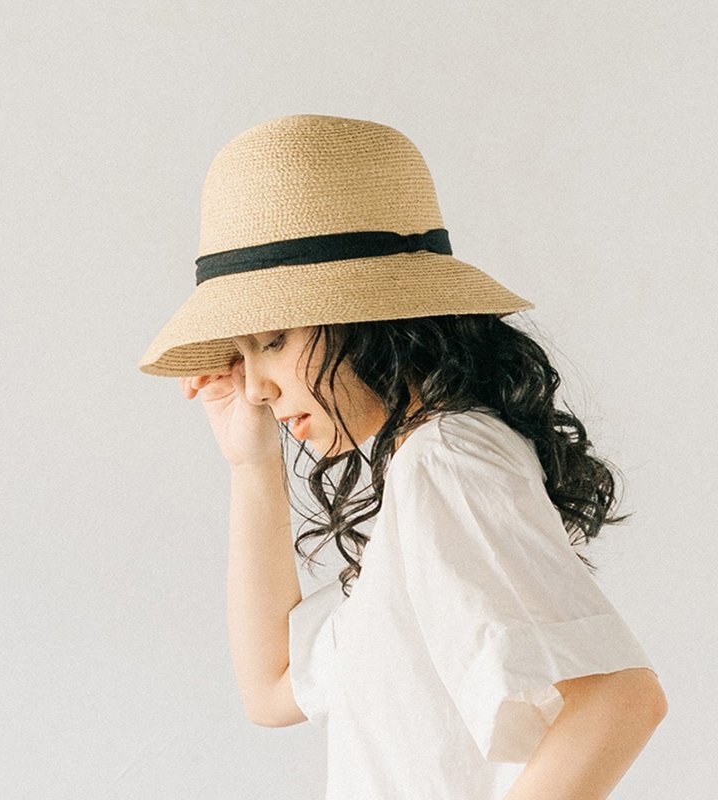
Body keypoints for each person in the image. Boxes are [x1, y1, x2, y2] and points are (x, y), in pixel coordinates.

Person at [138, 114, 667, 800]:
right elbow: (272, 691)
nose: (258, 387)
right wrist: (250, 463)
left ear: (366, 311)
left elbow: (620, 700)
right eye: (238, 356)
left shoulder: (445, 460)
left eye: (271, 339)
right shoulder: (427, 473)